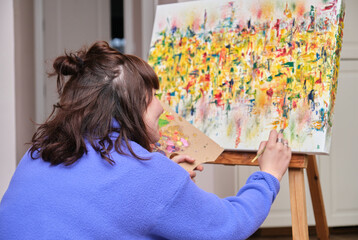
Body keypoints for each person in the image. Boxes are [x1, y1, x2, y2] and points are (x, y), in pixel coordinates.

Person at [0, 41, 291, 239]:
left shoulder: (40, 151)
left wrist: (165, 177)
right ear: (128, 106)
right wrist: (268, 175)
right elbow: (229, 226)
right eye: (151, 96)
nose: (162, 106)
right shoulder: (147, 176)